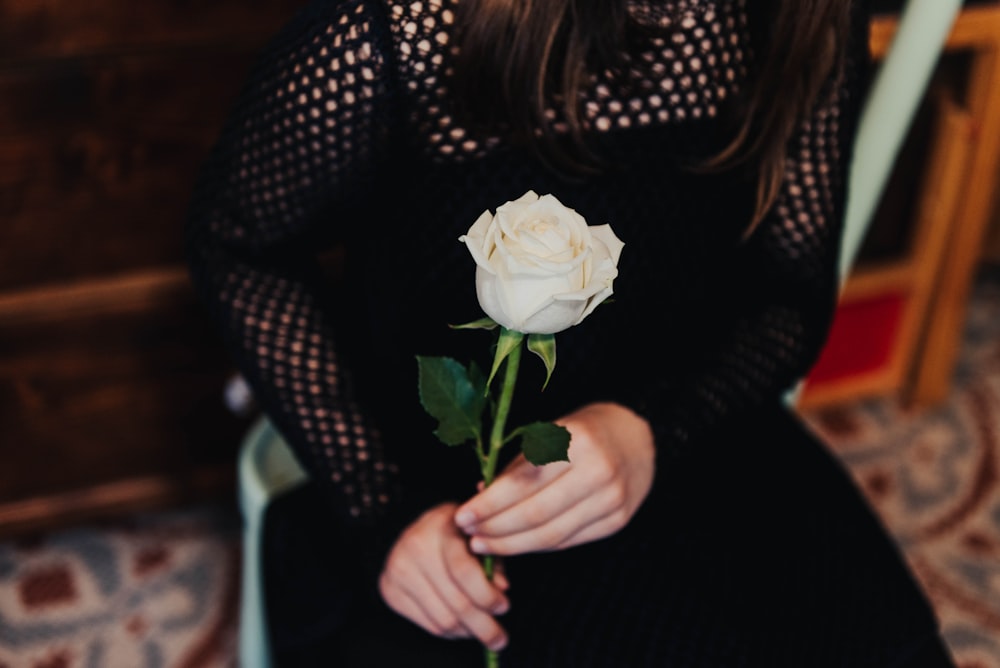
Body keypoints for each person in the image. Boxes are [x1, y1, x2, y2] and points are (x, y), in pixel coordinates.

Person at [184, 0, 957, 665]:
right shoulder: (399, 32)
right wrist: (379, 504)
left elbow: (789, 299)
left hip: (692, 417)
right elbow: (239, 240)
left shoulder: (806, 15)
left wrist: (652, 429)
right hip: (451, 472)